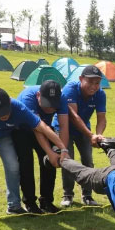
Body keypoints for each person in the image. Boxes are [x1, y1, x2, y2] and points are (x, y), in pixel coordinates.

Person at [0, 88, 67, 220]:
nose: (3, 115)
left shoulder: (19, 108)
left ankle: (14, 206)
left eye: (5, 111)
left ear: (10, 102)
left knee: (13, 166)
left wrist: (63, 148)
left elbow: (42, 127)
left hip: (1, 135)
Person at [53, 65, 108, 208]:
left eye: (97, 83)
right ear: (81, 79)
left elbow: (101, 118)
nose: (94, 86)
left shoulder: (100, 94)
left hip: (84, 130)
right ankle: (68, 195)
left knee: (88, 161)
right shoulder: (70, 89)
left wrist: (98, 135)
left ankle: (87, 195)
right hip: (64, 128)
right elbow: (73, 117)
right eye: (90, 82)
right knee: (68, 160)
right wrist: (91, 135)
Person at [12, 80, 68, 214]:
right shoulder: (28, 98)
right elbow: (37, 128)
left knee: (50, 162)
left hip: (46, 129)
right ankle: (30, 203)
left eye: (53, 106)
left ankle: (47, 201)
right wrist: (50, 151)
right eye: (47, 105)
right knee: (26, 164)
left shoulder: (62, 98)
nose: (49, 109)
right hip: (22, 130)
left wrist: (63, 150)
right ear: (38, 95)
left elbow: (64, 126)